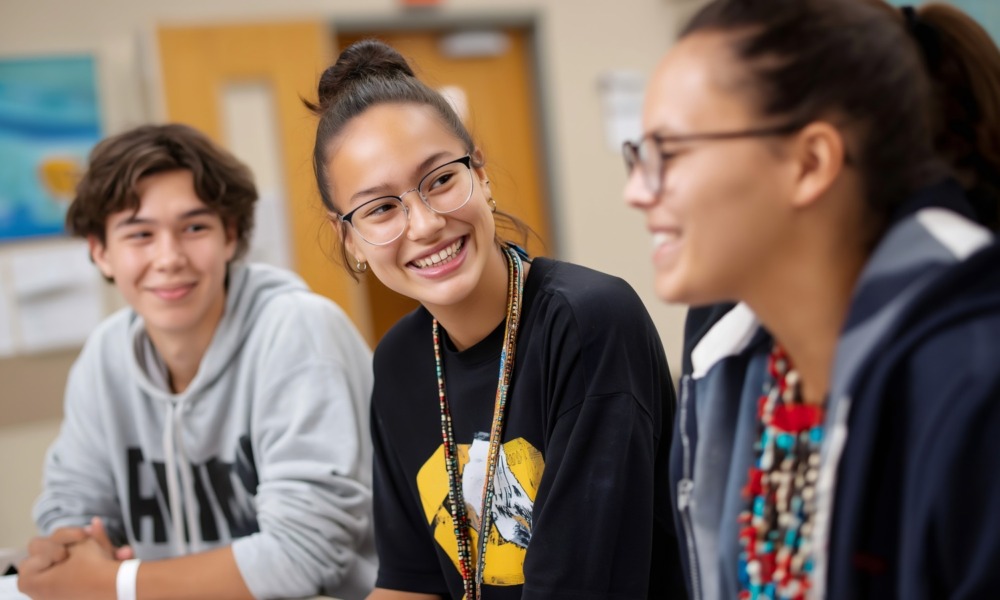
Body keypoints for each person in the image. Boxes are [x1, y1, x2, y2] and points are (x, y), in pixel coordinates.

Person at [623, 0, 1000, 598]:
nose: (636, 191)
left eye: (669, 153)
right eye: (638, 155)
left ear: (810, 162)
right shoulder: (727, 360)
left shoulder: (973, 382)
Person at [305, 39, 687, 600]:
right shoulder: (401, 361)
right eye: (381, 208)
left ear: (479, 173)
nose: (424, 225)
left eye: (440, 180)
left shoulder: (588, 322)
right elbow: (409, 583)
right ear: (350, 238)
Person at [17, 123, 378, 600]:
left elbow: (304, 553)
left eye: (194, 228)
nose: (169, 258)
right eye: (140, 234)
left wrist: (113, 582)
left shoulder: (298, 329)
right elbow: (70, 512)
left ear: (230, 235)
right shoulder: (105, 356)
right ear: (100, 252)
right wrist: (76, 550)